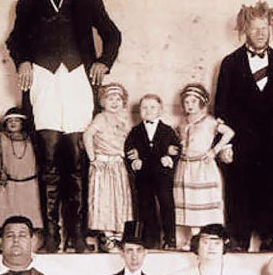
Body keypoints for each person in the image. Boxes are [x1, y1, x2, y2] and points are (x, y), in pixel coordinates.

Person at [6, 0, 122, 254]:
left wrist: (104, 61)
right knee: (48, 164)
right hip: (43, 80)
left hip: (77, 79)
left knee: (77, 163)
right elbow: (15, 39)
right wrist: (22, 61)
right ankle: (51, 236)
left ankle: (77, 235)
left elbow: (112, 34)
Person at [214, 0, 273, 252]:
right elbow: (221, 107)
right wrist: (224, 145)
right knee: (239, 191)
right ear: (245, 30)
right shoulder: (230, 63)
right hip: (241, 143)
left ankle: (270, 239)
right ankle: (238, 240)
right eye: (255, 28)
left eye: (265, 28)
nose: (261, 33)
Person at [174, 84, 234, 249]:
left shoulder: (210, 121)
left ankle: (206, 239)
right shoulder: (182, 122)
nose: (190, 105)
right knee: (189, 201)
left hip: (202, 168)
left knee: (202, 201)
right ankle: (193, 239)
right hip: (185, 166)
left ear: (201, 103)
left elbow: (229, 132)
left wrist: (214, 150)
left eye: (193, 101)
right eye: (187, 102)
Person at [125, 94, 180, 250]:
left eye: (152, 107)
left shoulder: (167, 130)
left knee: (166, 204)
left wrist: (170, 158)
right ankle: (150, 239)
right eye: (144, 108)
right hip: (143, 175)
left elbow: (176, 147)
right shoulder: (135, 131)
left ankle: (170, 239)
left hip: (162, 174)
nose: (148, 111)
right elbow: (129, 148)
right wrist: (134, 161)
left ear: (160, 110)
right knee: (145, 205)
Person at [83, 83, 133, 253]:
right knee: (104, 200)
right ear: (103, 102)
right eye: (110, 99)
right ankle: (107, 237)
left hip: (118, 165)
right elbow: (87, 135)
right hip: (103, 166)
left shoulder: (123, 119)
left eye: (118, 99)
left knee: (120, 200)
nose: (114, 102)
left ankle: (119, 236)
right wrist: (92, 157)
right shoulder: (101, 118)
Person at [0, 108, 43, 231]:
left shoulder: (31, 138)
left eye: (17, 120)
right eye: (10, 121)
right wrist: (1, 173)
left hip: (29, 185)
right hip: (9, 184)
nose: (13, 123)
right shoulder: (2, 137)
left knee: (29, 218)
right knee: (6, 219)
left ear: (22, 123)